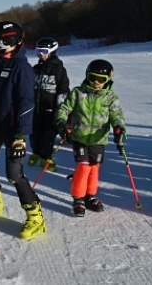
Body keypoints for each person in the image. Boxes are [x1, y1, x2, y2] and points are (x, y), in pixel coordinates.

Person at [0, 21, 47, 240]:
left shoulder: (22, 68)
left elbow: (26, 103)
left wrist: (20, 135)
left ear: (8, 42)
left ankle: (35, 217)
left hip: (12, 130)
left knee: (14, 174)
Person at [56, 59, 127, 217]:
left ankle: (90, 195)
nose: (96, 82)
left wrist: (119, 128)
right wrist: (61, 122)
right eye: (92, 78)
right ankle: (78, 198)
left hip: (98, 139)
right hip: (79, 137)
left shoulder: (110, 97)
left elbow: (116, 115)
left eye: (101, 79)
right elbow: (64, 108)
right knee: (83, 167)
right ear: (87, 76)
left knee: (94, 168)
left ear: (108, 79)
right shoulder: (78, 92)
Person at [29, 37, 70, 172]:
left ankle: (46, 157)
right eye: (39, 51)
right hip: (36, 107)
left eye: (44, 51)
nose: (41, 54)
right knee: (34, 132)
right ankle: (36, 152)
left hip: (51, 108)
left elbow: (63, 89)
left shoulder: (58, 70)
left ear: (52, 51)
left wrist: (60, 108)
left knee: (48, 134)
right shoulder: (36, 69)